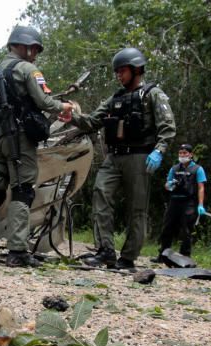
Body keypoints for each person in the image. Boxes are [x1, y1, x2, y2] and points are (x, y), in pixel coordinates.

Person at [67, 47, 176, 269]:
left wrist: (159, 150)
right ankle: (105, 250)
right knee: (101, 193)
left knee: (137, 208)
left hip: (140, 157)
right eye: (117, 71)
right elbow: (92, 121)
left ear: (136, 70)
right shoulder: (114, 99)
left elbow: (167, 126)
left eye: (122, 71)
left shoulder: (153, 95)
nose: (119, 75)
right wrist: (72, 117)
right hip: (114, 157)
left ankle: (127, 258)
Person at [0, 26, 73, 268]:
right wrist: (65, 107)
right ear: (24, 46)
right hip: (19, 139)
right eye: (34, 49)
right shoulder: (28, 70)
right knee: (23, 189)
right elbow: (43, 101)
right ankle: (17, 252)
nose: (35, 54)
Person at [156, 143, 207, 262]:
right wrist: (169, 185)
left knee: (186, 230)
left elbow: (201, 187)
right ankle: (163, 255)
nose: (182, 155)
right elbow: (167, 185)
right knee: (167, 228)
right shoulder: (174, 168)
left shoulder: (197, 169)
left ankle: (185, 257)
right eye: (180, 153)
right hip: (174, 201)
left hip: (188, 202)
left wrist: (200, 204)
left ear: (191, 154)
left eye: (185, 153)